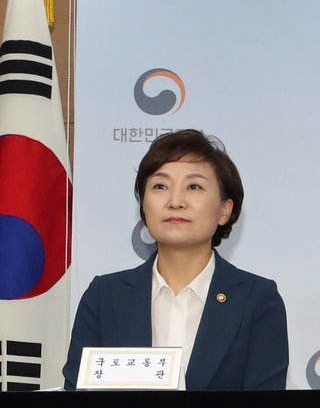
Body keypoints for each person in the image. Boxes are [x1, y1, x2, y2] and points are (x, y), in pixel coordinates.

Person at [63, 129, 288, 390]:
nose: (175, 201)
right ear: (144, 205)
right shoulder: (104, 296)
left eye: (194, 186)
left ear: (225, 210)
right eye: (160, 186)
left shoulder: (257, 299)